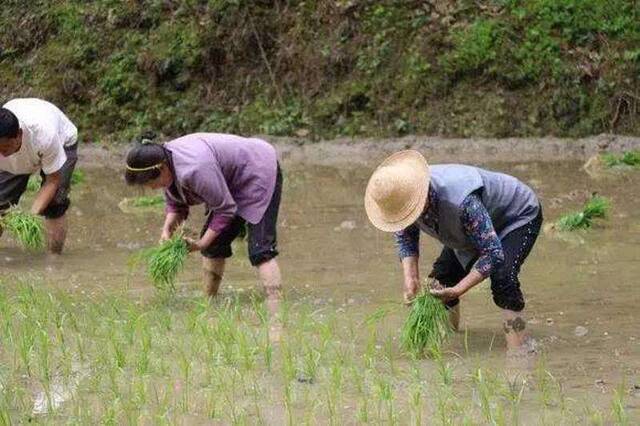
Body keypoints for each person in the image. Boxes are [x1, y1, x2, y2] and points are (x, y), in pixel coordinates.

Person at [364, 150, 542, 356]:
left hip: (515, 216)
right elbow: (405, 237)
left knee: (503, 278)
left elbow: (493, 253)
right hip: (473, 226)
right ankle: (453, 342)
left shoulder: (462, 202)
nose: (406, 218)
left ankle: (519, 350)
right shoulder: (400, 198)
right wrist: (411, 279)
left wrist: (458, 290)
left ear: (421, 200)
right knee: (440, 281)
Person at [124, 133, 283, 324]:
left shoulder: (195, 168)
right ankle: (209, 303)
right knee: (213, 247)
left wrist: (200, 244)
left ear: (162, 167)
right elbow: (176, 204)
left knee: (260, 250)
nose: (151, 188)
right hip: (230, 179)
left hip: (258, 169)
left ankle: (276, 311)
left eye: (151, 183)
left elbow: (225, 209)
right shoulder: (164, 159)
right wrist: (167, 230)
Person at [0, 98, 79, 254]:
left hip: (62, 142)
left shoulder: (45, 136)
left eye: (5, 147)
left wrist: (30, 217)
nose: (2, 153)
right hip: (27, 148)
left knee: (55, 204)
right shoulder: (4, 148)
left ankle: (54, 259)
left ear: (19, 135)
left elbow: (52, 181)